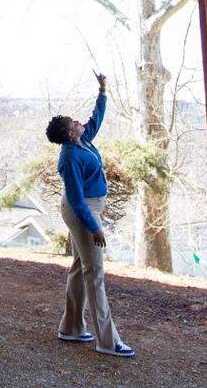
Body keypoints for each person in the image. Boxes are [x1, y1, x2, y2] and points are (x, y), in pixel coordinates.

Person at [44, 72, 135, 358]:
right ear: (70, 134)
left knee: (79, 268)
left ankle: (71, 328)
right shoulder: (69, 157)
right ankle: (108, 341)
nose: (79, 122)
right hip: (81, 211)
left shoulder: (84, 141)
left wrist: (103, 91)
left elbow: (96, 119)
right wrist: (94, 227)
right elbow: (75, 198)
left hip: (89, 207)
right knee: (94, 273)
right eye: (74, 123)